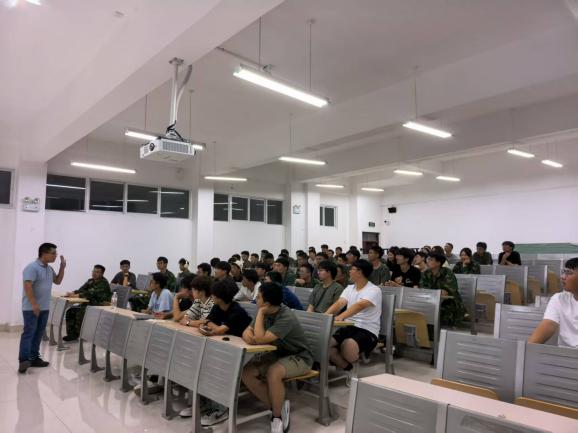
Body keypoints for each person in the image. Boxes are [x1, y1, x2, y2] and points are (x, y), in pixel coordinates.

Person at [242, 283, 314, 433]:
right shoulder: (266, 310)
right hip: (277, 354)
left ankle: (277, 417)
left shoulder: (285, 316)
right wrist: (253, 337)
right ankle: (279, 406)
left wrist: (260, 315)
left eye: (258, 297)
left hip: (300, 357)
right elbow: (247, 332)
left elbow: (260, 338)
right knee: (246, 372)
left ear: (267, 304)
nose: (255, 299)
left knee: (273, 372)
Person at [195, 278, 252, 425]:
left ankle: (221, 408)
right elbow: (207, 323)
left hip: (244, 351)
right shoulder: (217, 307)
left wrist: (209, 324)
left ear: (220, 297)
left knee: (217, 367)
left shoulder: (237, 311)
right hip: (227, 347)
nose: (211, 296)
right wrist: (208, 324)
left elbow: (219, 330)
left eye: (214, 294)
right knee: (202, 362)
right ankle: (207, 402)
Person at [325, 259, 382, 371]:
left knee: (348, 345)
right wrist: (325, 316)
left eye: (352, 269)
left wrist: (341, 316)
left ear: (360, 272)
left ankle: (359, 354)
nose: (349, 271)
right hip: (349, 327)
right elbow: (340, 303)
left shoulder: (374, 290)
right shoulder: (350, 288)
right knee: (324, 344)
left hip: (367, 330)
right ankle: (348, 367)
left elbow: (360, 305)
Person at [18, 243, 66, 373]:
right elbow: (27, 286)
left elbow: (58, 281)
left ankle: (34, 358)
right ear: (44, 253)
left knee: (39, 333)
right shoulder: (32, 267)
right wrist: (34, 304)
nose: (55, 256)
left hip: (44, 308)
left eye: (56, 253)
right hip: (31, 308)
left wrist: (62, 267)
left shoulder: (49, 269)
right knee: (29, 333)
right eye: (53, 253)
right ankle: (23, 361)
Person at [529, 258, 578, 348]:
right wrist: (526, 350)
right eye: (564, 272)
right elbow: (548, 326)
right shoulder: (559, 299)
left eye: (569, 273)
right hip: (564, 353)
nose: (563, 277)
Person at [63, 264, 111, 341]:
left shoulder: (103, 283)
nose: (94, 273)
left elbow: (90, 293)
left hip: (99, 305)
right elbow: (81, 290)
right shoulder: (90, 281)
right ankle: (72, 335)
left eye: (97, 272)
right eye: (93, 271)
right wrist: (72, 293)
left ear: (102, 274)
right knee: (70, 311)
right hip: (90, 304)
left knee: (81, 312)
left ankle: (81, 334)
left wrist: (75, 295)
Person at [420, 253, 465, 327]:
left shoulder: (447, 272)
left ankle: (439, 331)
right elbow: (423, 289)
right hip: (432, 301)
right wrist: (437, 292)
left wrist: (433, 292)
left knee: (438, 311)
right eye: (428, 259)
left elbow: (448, 291)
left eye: (431, 260)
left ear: (438, 263)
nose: (427, 262)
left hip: (449, 303)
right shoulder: (426, 273)